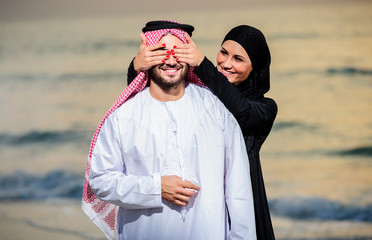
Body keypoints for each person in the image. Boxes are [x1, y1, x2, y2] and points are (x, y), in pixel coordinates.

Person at [82, 20, 256, 240]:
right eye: (161, 52)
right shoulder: (123, 117)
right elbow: (100, 180)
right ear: (147, 57)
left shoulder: (216, 109)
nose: (171, 60)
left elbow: (238, 189)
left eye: (178, 52)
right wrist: (155, 188)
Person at [127, 25, 277, 240]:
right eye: (224, 53)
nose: (226, 63)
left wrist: (203, 65)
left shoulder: (265, 108)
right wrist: (136, 67)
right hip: (203, 199)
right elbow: (151, 103)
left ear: (255, 67)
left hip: (241, 199)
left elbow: (241, 111)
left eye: (238, 59)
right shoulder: (203, 92)